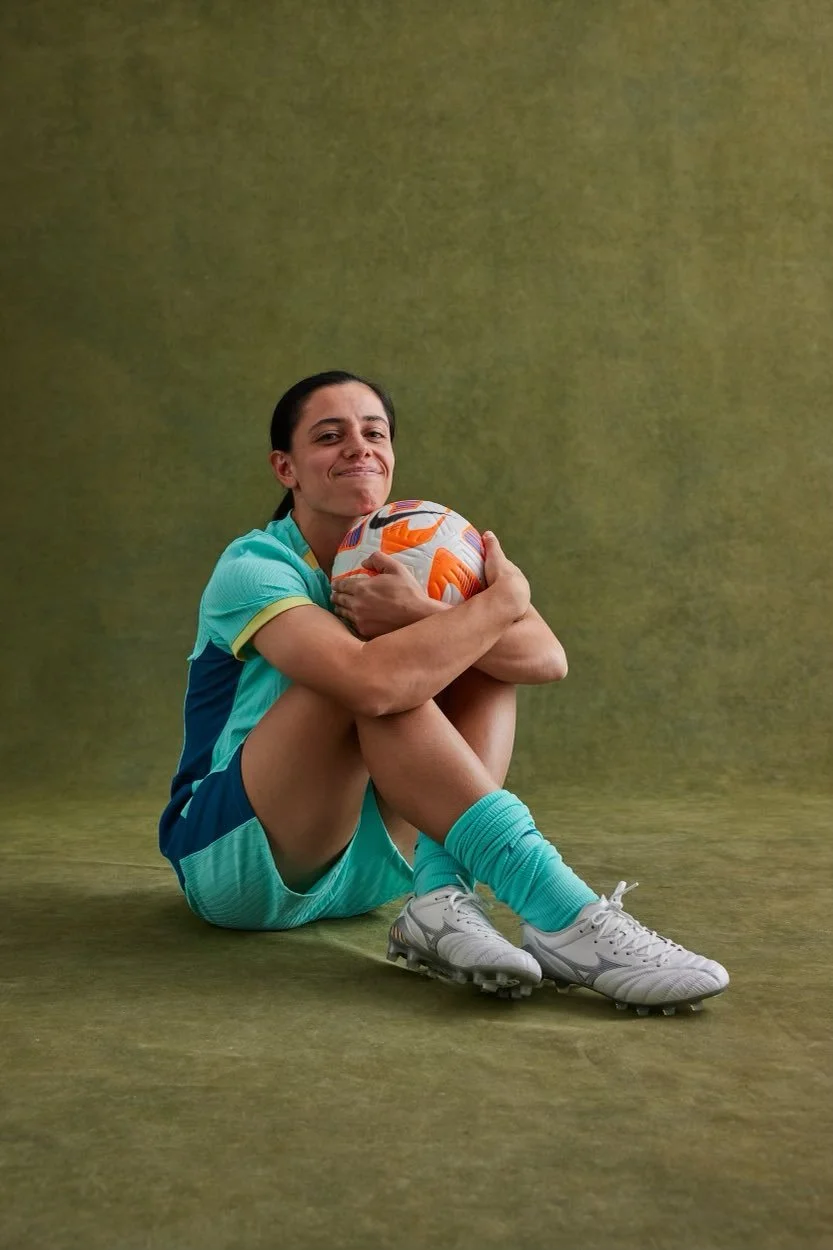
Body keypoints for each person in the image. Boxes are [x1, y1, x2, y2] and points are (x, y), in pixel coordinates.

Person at [159, 369, 729, 1014]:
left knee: (473, 654)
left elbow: (545, 658)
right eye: (329, 436)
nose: (358, 447)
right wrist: (504, 599)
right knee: (375, 672)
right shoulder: (255, 567)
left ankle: (439, 898)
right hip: (236, 860)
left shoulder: (430, 541)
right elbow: (371, 685)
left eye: (374, 432)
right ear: (285, 468)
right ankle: (565, 913)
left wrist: (423, 611)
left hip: (375, 868)